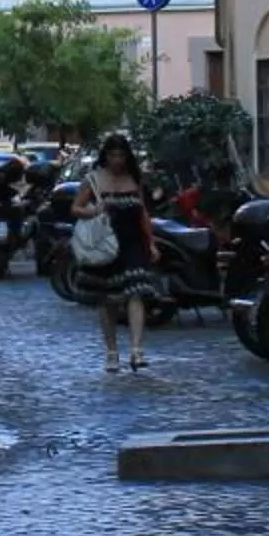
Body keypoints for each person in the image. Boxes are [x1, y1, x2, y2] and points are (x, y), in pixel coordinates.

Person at [72, 133, 171, 373]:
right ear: (105, 156)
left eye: (121, 155)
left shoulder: (134, 179)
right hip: (104, 243)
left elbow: (143, 214)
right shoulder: (93, 180)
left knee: (136, 293)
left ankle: (137, 350)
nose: (117, 160)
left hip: (132, 243)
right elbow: (75, 208)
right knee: (107, 300)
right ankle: (111, 352)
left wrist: (151, 243)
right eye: (112, 154)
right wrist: (94, 210)